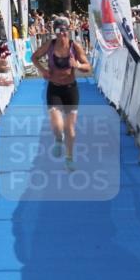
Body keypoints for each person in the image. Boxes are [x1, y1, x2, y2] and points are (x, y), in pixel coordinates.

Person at [32, 16, 91, 171]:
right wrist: (43, 70)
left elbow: (88, 67)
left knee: (70, 128)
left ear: (68, 31)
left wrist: (77, 64)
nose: (61, 34)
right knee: (57, 125)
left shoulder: (75, 47)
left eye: (64, 31)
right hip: (54, 89)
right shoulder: (49, 46)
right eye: (58, 31)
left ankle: (69, 159)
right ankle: (58, 139)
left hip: (71, 90)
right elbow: (34, 57)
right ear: (54, 32)